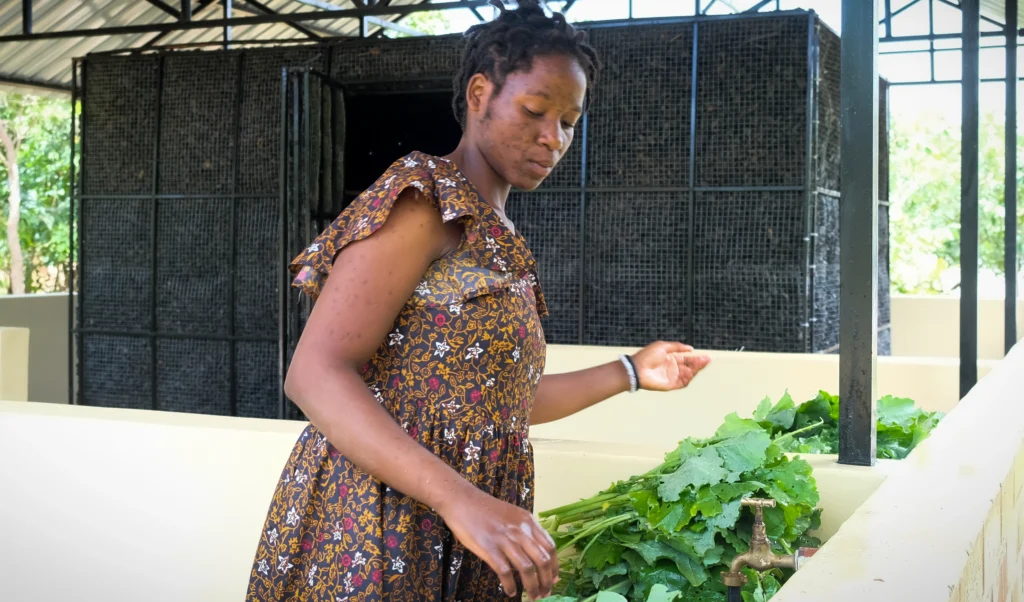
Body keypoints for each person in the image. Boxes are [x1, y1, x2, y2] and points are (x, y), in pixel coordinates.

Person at [246, 2, 711, 601]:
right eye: (535, 110)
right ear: (479, 92)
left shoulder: (498, 234)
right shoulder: (423, 199)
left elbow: (495, 402)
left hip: (470, 523)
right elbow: (313, 373)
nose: (554, 137)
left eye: (570, 120)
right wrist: (462, 500)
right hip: (378, 523)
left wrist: (631, 372)